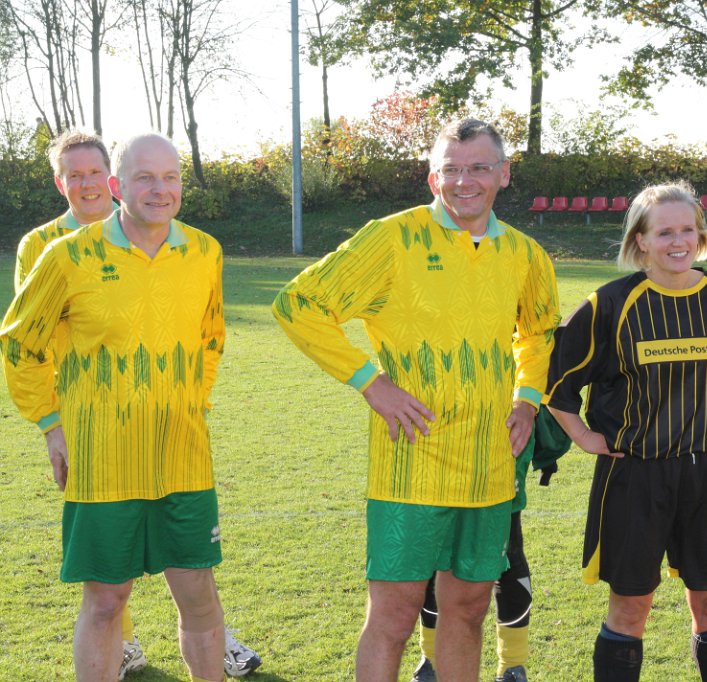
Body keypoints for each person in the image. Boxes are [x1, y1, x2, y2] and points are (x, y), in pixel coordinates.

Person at [273, 117, 560, 681]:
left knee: (469, 610)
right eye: (451, 169)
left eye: (479, 168)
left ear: (503, 174)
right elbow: (298, 303)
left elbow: (539, 331)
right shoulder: (391, 238)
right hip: (411, 458)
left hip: (489, 461)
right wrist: (371, 382)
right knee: (395, 615)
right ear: (433, 178)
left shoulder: (525, 253)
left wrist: (527, 398)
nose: (464, 181)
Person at [13, 128, 263, 681]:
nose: (159, 189)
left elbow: (211, 338)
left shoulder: (205, 251)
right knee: (106, 600)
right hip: (103, 459)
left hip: (183, 456)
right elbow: (20, 345)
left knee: (198, 592)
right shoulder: (66, 255)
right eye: (145, 177)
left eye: (170, 177)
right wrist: (52, 424)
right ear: (117, 185)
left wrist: (191, 402)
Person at [544, 182, 707, 682]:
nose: (678, 241)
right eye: (664, 232)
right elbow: (557, 376)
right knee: (630, 608)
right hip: (634, 475)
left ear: (701, 235)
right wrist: (583, 436)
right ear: (640, 240)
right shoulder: (611, 303)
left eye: (688, 229)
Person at [411, 407, 570, 682]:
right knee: (438, 550)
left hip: (501, 427)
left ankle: (512, 666)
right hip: (439, 427)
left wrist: (528, 403)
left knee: (508, 548)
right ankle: (431, 663)